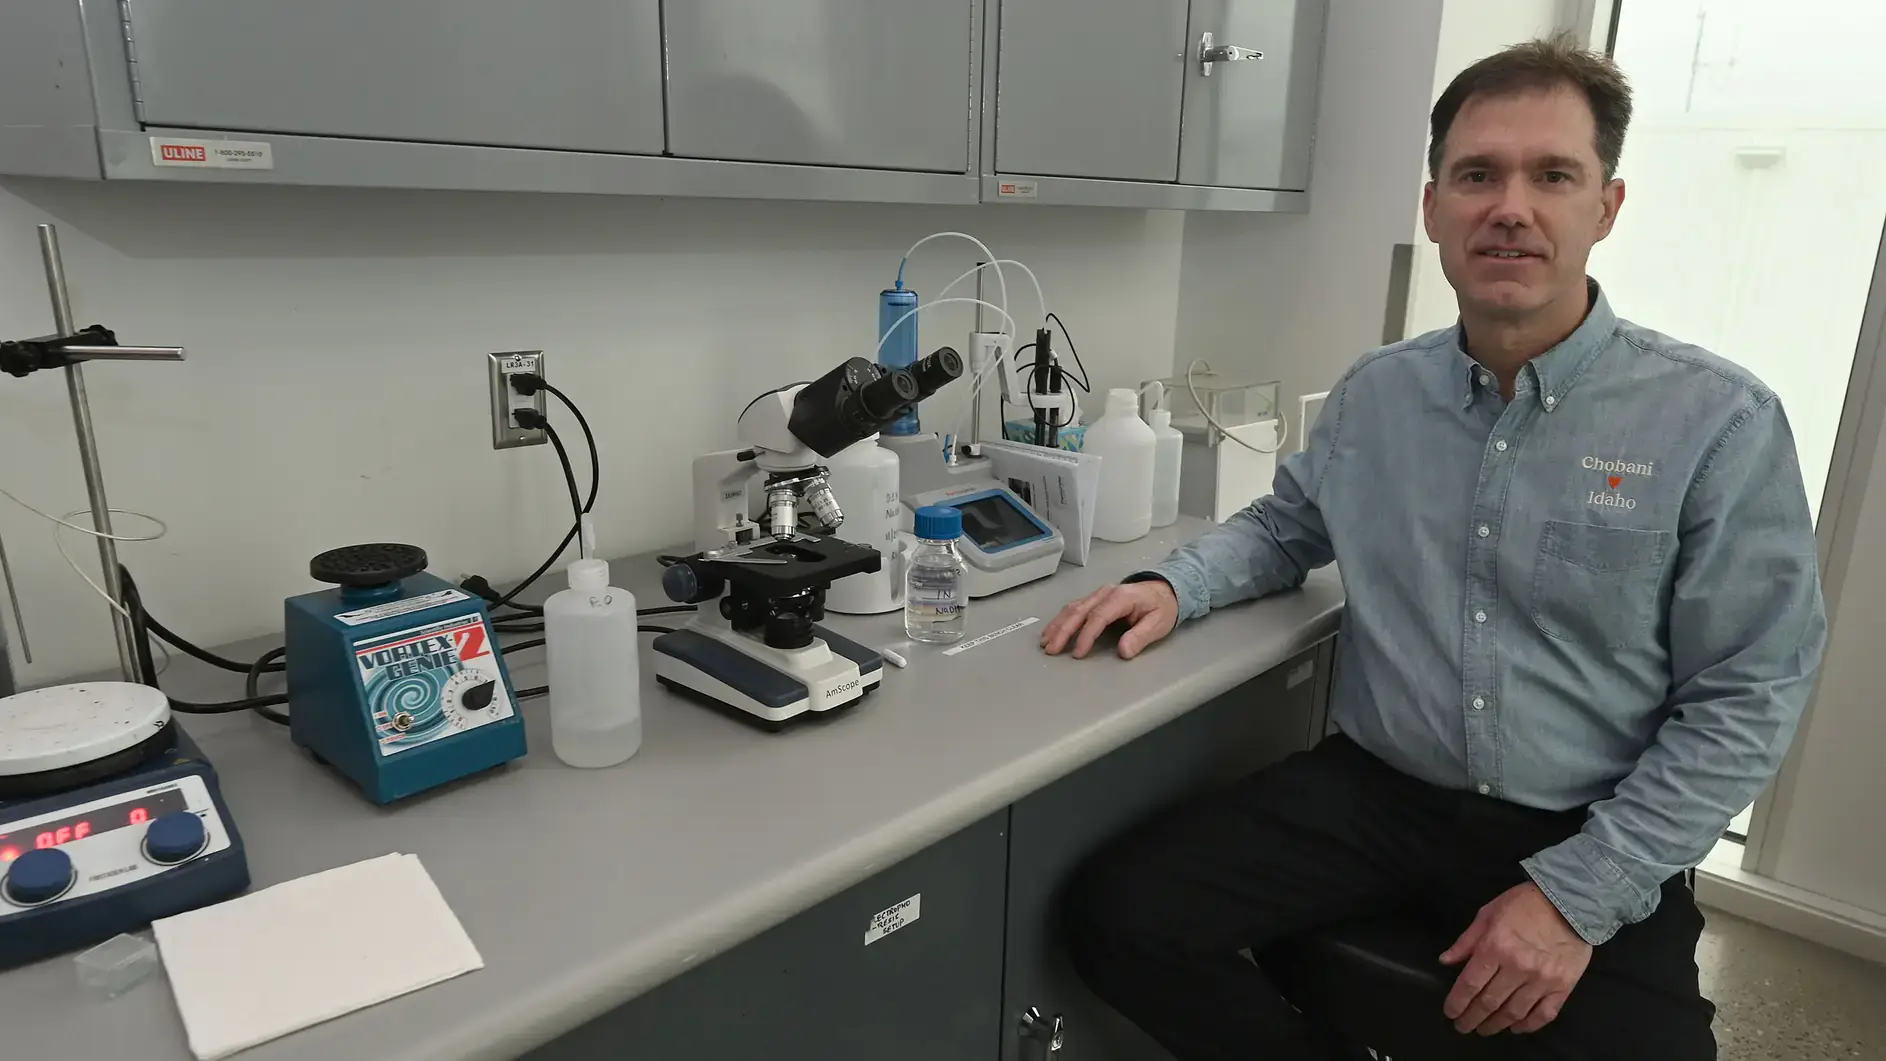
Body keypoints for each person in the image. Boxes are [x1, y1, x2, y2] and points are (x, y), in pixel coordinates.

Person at [1040, 34, 1826, 1061]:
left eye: (1551, 175)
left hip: (1587, 815)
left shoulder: (1714, 421)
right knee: (1118, 916)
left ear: (1605, 206)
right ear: (1433, 208)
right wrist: (1170, 582)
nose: (1510, 205)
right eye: (1475, 175)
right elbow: (1285, 527)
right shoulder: (1378, 394)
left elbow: (1747, 692)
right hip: (1376, 791)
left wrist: (1574, 896)